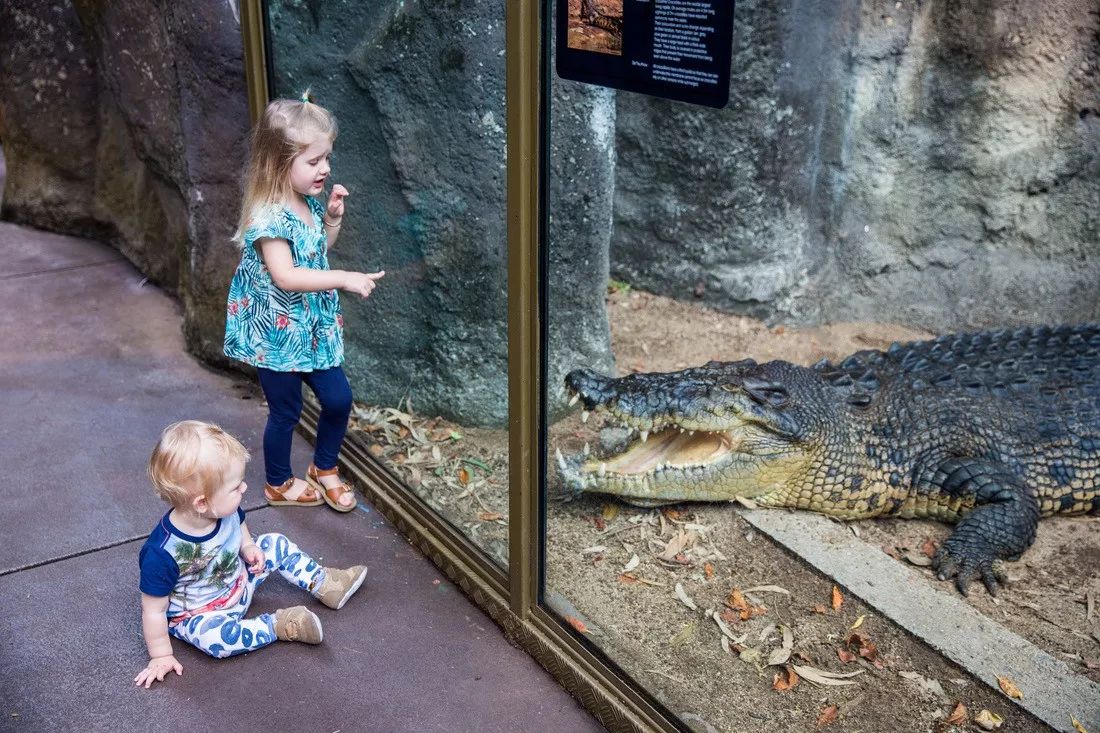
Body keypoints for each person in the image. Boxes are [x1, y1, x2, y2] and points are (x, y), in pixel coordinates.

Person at [224, 92, 384, 513]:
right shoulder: (268, 216)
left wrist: (331, 218)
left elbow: (316, 251)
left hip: (311, 328)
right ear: (279, 164)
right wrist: (346, 278)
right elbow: (287, 275)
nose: (325, 169)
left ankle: (324, 467)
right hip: (277, 332)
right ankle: (278, 481)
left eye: (326, 158)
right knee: (286, 410)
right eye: (313, 162)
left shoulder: (308, 204)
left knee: (338, 399)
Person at [134, 420, 369, 688]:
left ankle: (325, 583)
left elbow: (239, 525)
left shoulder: (224, 508)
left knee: (274, 542)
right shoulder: (162, 553)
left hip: (239, 579)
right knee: (216, 642)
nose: (244, 488)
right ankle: (278, 625)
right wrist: (161, 655)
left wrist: (248, 547)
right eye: (236, 487)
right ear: (201, 502)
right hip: (201, 614)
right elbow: (153, 610)